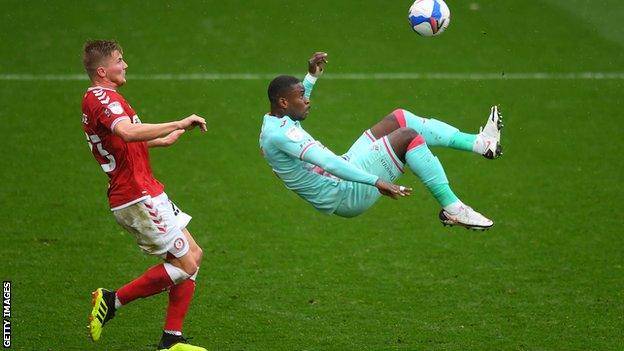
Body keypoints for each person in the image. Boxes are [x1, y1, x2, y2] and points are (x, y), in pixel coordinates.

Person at [259, 52, 504, 230]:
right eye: (301, 96)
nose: (307, 100)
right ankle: (454, 208)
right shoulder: (280, 135)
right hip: (344, 193)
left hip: (343, 171)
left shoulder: (276, 122)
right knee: (408, 137)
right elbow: (329, 164)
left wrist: (310, 79)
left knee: (400, 118)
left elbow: (296, 116)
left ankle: (481, 144)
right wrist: (378, 182)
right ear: (283, 102)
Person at [82, 40, 207, 351]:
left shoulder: (108, 99)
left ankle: (171, 339)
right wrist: (178, 121)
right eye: (120, 60)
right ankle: (111, 301)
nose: (125, 65)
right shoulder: (100, 97)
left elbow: (119, 143)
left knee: (194, 255)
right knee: (184, 265)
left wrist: (163, 140)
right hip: (135, 197)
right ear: (102, 70)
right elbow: (126, 133)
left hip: (148, 189)